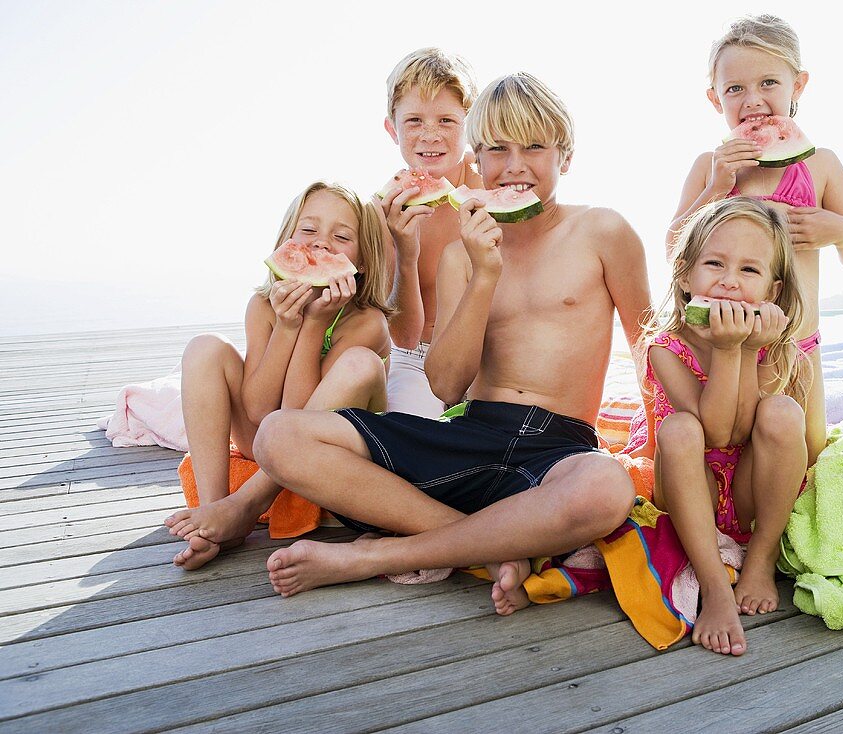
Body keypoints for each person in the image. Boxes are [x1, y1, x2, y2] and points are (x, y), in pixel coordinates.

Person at [168, 71, 652, 612]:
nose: (514, 165)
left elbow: (646, 345)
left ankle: (370, 557)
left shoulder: (604, 231)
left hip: (557, 444)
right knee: (280, 437)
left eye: (534, 146)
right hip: (469, 432)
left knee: (607, 489)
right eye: (497, 148)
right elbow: (447, 389)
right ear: (478, 158)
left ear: (565, 156)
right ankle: (495, 544)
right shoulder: (458, 257)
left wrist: (658, 447)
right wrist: (483, 274)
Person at [666, 14, 843, 464]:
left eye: (768, 83)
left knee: (807, 456)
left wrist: (838, 231)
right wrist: (716, 188)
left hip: (795, 345)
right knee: (722, 452)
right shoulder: (710, 165)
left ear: (797, 85)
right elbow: (673, 249)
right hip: (720, 341)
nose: (753, 101)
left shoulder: (821, 164)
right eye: (735, 89)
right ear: (714, 98)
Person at [166, 181, 391, 569]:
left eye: (341, 236)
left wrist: (313, 325)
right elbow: (257, 409)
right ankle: (215, 513)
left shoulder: (366, 322)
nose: (321, 244)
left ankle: (244, 505)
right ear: (285, 241)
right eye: (308, 230)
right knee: (204, 347)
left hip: (322, 449)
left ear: (363, 262)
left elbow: (296, 419)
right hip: (264, 437)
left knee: (360, 363)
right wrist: (287, 327)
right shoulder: (264, 305)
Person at [648, 196, 813, 655]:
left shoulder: (776, 348)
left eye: (749, 271)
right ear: (685, 274)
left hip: (746, 490)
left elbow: (743, 435)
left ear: (773, 291)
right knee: (681, 428)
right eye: (715, 263)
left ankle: (759, 558)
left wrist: (747, 348)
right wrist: (731, 350)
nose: (729, 283)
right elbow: (716, 434)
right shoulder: (666, 348)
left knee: (783, 412)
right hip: (686, 487)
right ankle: (714, 586)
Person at [376, 47, 483, 418]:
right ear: (392, 129)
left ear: (470, 123)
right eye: (414, 121)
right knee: (414, 441)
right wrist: (406, 254)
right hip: (415, 357)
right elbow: (403, 336)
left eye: (446, 121)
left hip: (489, 353)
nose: (430, 136)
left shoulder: (494, 183)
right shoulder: (385, 209)